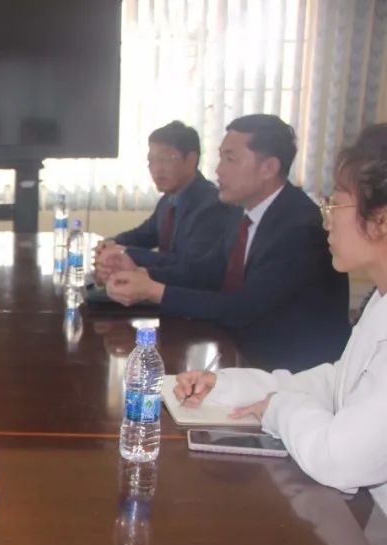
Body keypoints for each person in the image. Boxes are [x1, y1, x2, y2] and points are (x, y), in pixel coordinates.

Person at [174, 123, 387, 510]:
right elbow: (339, 383)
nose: (326, 217)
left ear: (381, 219)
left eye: (336, 203)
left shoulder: (299, 229)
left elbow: (338, 460)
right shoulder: (380, 301)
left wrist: (277, 408)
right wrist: (229, 386)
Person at [104, 114, 350, 372]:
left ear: (268, 168)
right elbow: (206, 271)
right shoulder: (240, 212)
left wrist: (154, 291)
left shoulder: (300, 228)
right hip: (243, 355)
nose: (218, 170)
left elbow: (242, 307)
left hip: (293, 372)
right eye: (221, 158)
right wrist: (140, 272)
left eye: (230, 159)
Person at [94, 120, 233, 277]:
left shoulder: (212, 206)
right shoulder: (168, 200)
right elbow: (143, 235)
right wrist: (110, 243)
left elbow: (188, 266)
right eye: (151, 161)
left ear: (191, 160)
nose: (157, 169)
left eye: (166, 159)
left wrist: (124, 252)